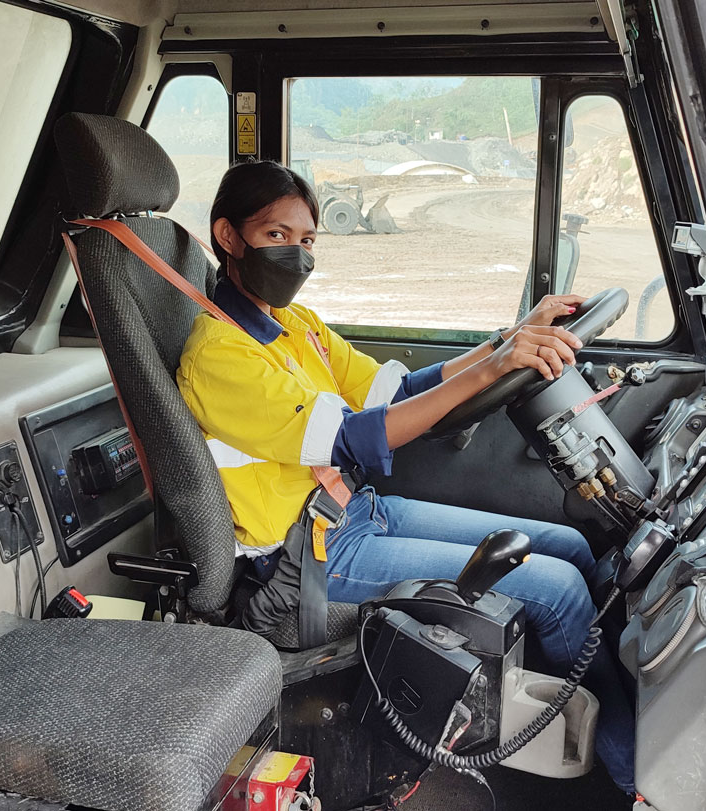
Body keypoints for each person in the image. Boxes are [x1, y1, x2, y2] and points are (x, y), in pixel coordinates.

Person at [175, 160, 633, 791]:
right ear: (228, 238)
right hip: (303, 558)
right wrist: (495, 365)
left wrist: (507, 341)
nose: (296, 254)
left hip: (350, 514)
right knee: (557, 589)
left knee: (571, 545)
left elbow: (396, 390)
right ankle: (632, 772)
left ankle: (609, 708)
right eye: (276, 236)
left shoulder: (294, 326)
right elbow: (353, 436)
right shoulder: (221, 354)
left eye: (307, 241)